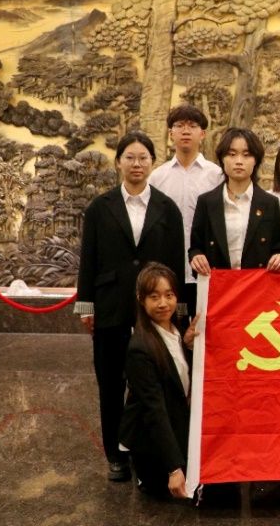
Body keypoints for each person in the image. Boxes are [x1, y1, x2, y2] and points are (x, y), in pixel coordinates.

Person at [75, 131, 185, 483]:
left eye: (143, 158)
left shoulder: (167, 208)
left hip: (156, 312)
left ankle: (152, 450)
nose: (137, 164)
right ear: (119, 162)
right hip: (111, 307)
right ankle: (115, 455)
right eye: (130, 158)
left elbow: (176, 265)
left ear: (153, 163)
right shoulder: (100, 207)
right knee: (110, 384)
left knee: (154, 385)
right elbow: (88, 260)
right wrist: (85, 307)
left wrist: (179, 311)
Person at [119, 262, 196, 499]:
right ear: (141, 300)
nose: (163, 303)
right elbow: (154, 410)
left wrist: (188, 347)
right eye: (154, 297)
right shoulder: (140, 348)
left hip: (176, 426)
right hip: (152, 446)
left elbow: (179, 377)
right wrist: (174, 469)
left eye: (169, 295)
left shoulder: (177, 330)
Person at [148, 104, 224, 317]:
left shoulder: (217, 176)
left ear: (203, 134)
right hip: (167, 269)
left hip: (206, 269)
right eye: (179, 125)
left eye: (192, 126)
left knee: (204, 328)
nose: (186, 131)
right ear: (171, 133)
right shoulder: (157, 178)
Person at [189, 128, 280, 275]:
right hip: (218, 282)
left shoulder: (269, 203)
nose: (239, 161)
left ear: (256, 160)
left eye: (246, 155)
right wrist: (196, 257)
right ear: (222, 159)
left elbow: (278, 248)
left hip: (256, 283)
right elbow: (195, 248)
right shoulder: (207, 202)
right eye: (232, 154)